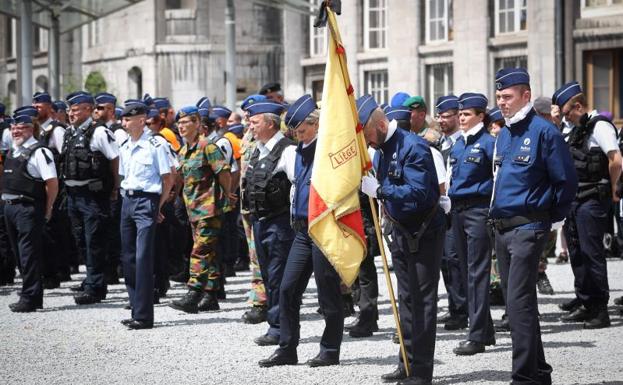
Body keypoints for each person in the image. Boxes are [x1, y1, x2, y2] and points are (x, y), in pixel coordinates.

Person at [490, 68, 577, 385]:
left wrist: (549, 219)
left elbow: (565, 181)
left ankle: (524, 377)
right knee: (521, 303)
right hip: (503, 229)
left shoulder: (544, 132)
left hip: (528, 228)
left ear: (526, 95)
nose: (502, 102)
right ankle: (539, 373)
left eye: (508, 96)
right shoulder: (505, 134)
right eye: (499, 97)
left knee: (517, 305)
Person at [358, 94, 445, 385]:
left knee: (422, 302)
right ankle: (406, 362)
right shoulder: (382, 149)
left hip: (422, 233)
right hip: (401, 232)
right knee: (406, 301)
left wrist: (381, 191)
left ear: (380, 124)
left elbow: (419, 193)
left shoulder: (414, 146)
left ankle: (421, 370)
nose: (368, 142)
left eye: (368, 134)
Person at [259, 94, 344, 368]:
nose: (298, 135)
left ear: (316, 125)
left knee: (327, 292)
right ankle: (287, 348)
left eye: (303, 129)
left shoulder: (327, 151)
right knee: (287, 289)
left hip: (324, 229)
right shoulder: (294, 152)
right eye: (295, 131)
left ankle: (330, 350)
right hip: (301, 231)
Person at [553, 81, 621, 328]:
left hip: (593, 198)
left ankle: (600, 309)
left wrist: (614, 189)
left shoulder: (600, 126)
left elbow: (615, 160)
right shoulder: (575, 129)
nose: (565, 117)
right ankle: (585, 302)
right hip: (576, 198)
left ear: (579, 106)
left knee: (592, 254)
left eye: (567, 112)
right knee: (577, 253)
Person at [242, 100, 296, 346]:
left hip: (280, 223)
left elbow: (299, 185)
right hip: (260, 222)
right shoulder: (258, 149)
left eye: (254, 122)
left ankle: (279, 330)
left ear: (270, 124)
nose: (249, 126)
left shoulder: (288, 151)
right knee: (268, 277)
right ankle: (276, 326)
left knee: (278, 279)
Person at [169, 106, 232, 313]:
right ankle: (211, 295)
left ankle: (194, 292)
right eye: (179, 123)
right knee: (209, 253)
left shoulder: (208, 147)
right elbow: (181, 178)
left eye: (186, 122)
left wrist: (227, 193)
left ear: (197, 124)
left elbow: (223, 172)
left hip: (209, 208)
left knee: (200, 251)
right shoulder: (184, 150)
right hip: (193, 209)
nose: (181, 126)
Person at [447, 93, 496, 355]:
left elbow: (497, 179)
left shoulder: (489, 143)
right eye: (460, 114)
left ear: (480, 116)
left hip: (479, 210)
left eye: (466, 114)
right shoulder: (458, 145)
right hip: (458, 211)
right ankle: (485, 329)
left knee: (477, 273)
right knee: (465, 271)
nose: (461, 118)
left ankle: (476, 336)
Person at [118, 102, 174, 329]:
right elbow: (124, 175)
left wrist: (157, 206)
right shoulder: (124, 144)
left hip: (146, 201)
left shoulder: (156, 143)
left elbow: (168, 178)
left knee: (142, 258)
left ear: (141, 120)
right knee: (128, 258)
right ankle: (135, 308)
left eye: (127, 119)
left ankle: (143, 316)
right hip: (128, 201)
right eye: (123, 119)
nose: (123, 123)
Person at [61, 91, 120, 305]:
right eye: (69, 110)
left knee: (94, 241)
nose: (71, 114)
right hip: (73, 196)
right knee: (81, 242)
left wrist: (115, 188)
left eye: (75, 110)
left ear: (88, 110)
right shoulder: (70, 133)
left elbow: (115, 160)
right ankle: (91, 281)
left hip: (93, 196)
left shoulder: (99, 132)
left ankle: (95, 287)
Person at [3, 108, 58, 312]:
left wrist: (48, 207)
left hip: (28, 208)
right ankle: (27, 291)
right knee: (19, 255)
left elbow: (51, 182)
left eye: (22, 128)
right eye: (13, 128)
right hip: (10, 208)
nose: (16, 132)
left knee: (29, 254)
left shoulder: (40, 152)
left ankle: (32, 297)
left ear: (31, 129)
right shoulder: (12, 151)